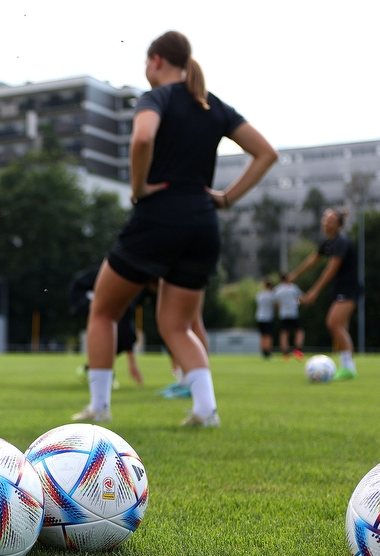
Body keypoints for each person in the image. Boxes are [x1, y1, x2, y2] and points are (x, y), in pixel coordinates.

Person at [75, 31, 277, 426]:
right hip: (203, 222)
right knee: (177, 325)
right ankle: (206, 409)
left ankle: (99, 408)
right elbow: (266, 152)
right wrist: (227, 197)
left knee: (103, 310)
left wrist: (138, 188)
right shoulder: (213, 105)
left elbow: (143, 138)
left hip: (158, 218)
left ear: (155, 61)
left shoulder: (156, 98)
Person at [288, 207, 362, 380]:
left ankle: (349, 368)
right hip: (340, 289)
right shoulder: (328, 242)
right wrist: (294, 275)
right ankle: (347, 366)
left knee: (333, 323)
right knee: (340, 326)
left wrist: (313, 292)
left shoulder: (341, 241)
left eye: (330, 219)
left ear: (338, 225)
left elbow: (331, 269)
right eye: (325, 218)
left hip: (349, 289)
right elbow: (312, 260)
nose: (326, 222)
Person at [69, 266, 146, 389]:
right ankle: (97, 378)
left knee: (116, 335)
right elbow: (126, 329)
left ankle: (93, 368)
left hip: (89, 290)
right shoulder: (128, 284)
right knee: (105, 323)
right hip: (83, 292)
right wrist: (132, 363)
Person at [273, 274, 304, 361]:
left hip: (283, 314)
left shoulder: (277, 289)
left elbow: (276, 304)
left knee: (284, 333)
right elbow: (301, 298)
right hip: (294, 313)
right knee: (299, 331)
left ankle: (285, 353)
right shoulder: (293, 287)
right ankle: (298, 350)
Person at [255, 279, 276, 359]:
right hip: (268, 317)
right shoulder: (271, 295)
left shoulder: (259, 294)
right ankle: (267, 351)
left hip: (259, 317)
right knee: (268, 335)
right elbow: (275, 305)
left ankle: (263, 351)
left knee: (263, 336)